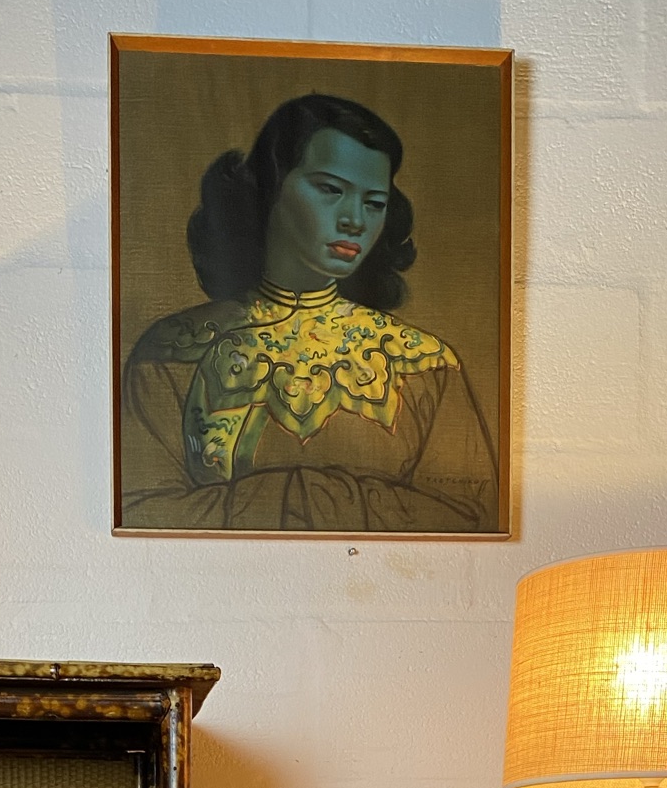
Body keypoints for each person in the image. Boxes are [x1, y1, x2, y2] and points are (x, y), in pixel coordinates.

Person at [121, 92, 499, 533]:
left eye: (374, 203)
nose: (354, 221)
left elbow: (470, 516)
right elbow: (142, 513)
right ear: (271, 186)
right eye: (331, 190)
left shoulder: (428, 364)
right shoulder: (169, 353)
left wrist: (302, 498)